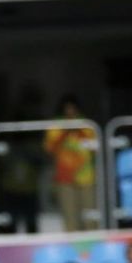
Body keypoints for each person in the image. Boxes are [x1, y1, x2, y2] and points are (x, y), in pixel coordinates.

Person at [44, 95, 97, 232]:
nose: (70, 113)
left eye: (73, 109)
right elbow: (50, 149)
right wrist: (65, 132)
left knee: (90, 214)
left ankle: (92, 240)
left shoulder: (86, 125)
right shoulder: (55, 127)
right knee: (69, 215)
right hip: (65, 177)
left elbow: (94, 147)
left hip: (86, 176)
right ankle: (72, 241)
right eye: (67, 109)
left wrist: (79, 130)